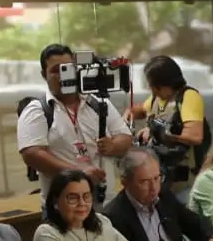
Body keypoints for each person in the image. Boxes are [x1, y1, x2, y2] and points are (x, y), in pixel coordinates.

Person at [17, 43, 133, 195]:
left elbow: (125, 137)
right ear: (44, 75)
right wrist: (78, 172)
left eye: (67, 69)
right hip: (63, 206)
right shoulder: (37, 110)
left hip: (106, 202)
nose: (62, 75)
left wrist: (112, 146)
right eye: (55, 70)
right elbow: (32, 154)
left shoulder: (98, 102)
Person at [101, 147, 213, 241]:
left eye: (157, 178)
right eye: (144, 182)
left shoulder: (164, 196)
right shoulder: (113, 215)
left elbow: (196, 222)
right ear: (125, 182)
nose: (153, 188)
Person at [31, 169, 154, 241]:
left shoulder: (101, 222)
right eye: (73, 198)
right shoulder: (46, 233)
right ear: (55, 203)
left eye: (86, 196)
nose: (82, 203)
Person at [129, 55, 205, 179]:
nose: (151, 88)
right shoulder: (157, 98)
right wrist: (128, 115)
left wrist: (158, 132)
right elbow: (142, 110)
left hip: (181, 177)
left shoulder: (188, 97)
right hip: (158, 174)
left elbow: (195, 136)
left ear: (164, 84)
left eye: (153, 85)